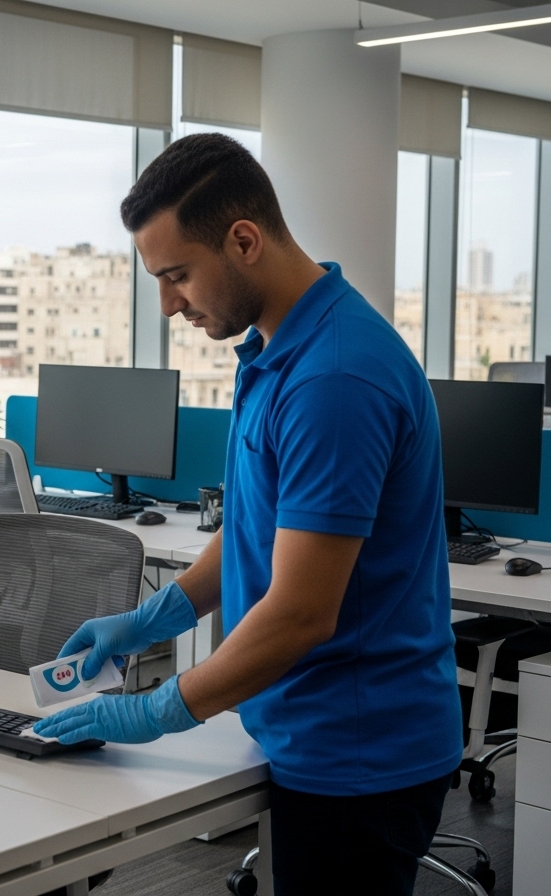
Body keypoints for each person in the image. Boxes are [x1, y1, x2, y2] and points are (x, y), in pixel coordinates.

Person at [33, 134, 461, 895]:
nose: (168, 304)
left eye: (177, 276)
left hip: (358, 751)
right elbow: (262, 526)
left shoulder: (335, 378)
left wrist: (157, 710)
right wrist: (159, 614)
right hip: (306, 727)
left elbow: (299, 613)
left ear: (244, 240)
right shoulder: (278, 349)